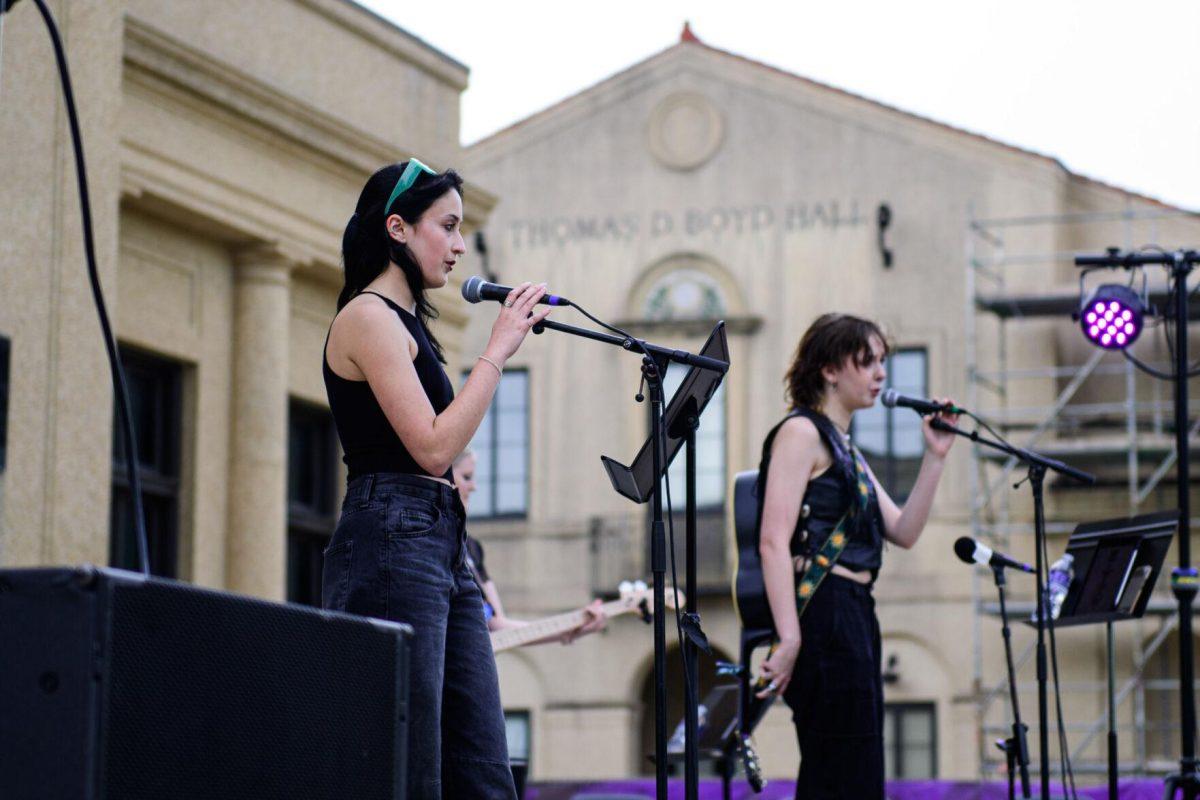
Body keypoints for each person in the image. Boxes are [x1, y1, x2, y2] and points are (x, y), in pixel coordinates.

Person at [320, 159, 551, 799]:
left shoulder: (412, 326)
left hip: (438, 539)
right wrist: (498, 350)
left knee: (483, 771)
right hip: (393, 533)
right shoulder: (367, 317)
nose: (458, 247)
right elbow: (431, 446)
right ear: (397, 228)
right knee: (410, 766)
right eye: (448, 227)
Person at [754, 313, 958, 799]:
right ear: (829, 368)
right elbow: (772, 539)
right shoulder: (800, 433)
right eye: (867, 361)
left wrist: (936, 456)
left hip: (855, 610)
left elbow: (904, 531)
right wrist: (788, 636)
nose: (881, 374)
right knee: (839, 768)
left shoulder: (848, 450)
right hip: (824, 609)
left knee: (858, 769)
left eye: (883, 362)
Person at [451, 449, 606, 644]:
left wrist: (570, 627)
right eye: (467, 477)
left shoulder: (472, 548)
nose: (473, 487)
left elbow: (498, 627)